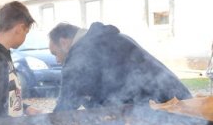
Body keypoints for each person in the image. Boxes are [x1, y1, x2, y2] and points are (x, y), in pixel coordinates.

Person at [48, 22, 192, 112]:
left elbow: (66, 106)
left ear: (64, 42)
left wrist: (49, 123)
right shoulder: (112, 37)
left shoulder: (79, 55)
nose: (58, 60)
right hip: (180, 100)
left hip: (162, 109)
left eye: (55, 53)